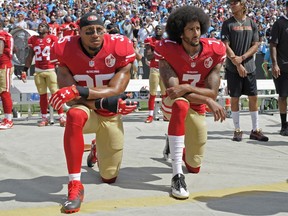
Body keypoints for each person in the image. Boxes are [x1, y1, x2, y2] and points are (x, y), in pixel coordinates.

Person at [48, 12, 137, 213]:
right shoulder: (64, 48)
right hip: (88, 110)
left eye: (99, 30)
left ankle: (97, 149)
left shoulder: (119, 46)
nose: (95, 34)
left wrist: (79, 90)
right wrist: (100, 102)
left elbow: (116, 90)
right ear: (79, 33)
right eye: (89, 31)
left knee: (109, 177)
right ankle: (75, 185)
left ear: (104, 31)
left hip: (109, 115)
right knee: (74, 114)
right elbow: (71, 99)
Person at [154, 6, 226, 199]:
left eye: (198, 28)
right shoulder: (167, 49)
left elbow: (211, 92)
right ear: (180, 32)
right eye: (190, 29)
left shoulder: (214, 50)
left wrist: (187, 88)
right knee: (179, 104)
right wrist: (203, 98)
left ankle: (174, 142)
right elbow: (173, 91)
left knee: (194, 166)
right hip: (173, 104)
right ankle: (176, 174)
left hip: (197, 107)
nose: (196, 33)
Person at [220, 0, 269, 142]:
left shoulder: (252, 23)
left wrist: (243, 58)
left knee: (253, 97)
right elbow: (225, 45)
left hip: (250, 67)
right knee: (234, 98)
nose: (231, 5)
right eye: (230, 3)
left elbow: (256, 45)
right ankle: (237, 129)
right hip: (233, 68)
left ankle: (255, 129)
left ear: (242, 5)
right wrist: (237, 62)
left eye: (235, 2)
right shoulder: (227, 23)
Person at [22, 22, 66, 127]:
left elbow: (59, 52)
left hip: (50, 69)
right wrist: (25, 69)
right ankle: (44, 118)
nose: (40, 27)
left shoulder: (52, 38)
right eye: (39, 26)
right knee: (42, 96)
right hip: (38, 70)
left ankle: (61, 117)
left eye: (42, 26)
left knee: (56, 93)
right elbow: (30, 55)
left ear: (47, 29)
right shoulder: (33, 39)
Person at [270, 1, 288, 136]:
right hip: (282, 67)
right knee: (283, 96)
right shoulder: (279, 24)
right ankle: (283, 126)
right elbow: (273, 45)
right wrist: (275, 64)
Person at [144, 25, 166, 123]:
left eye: (160, 28)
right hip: (154, 69)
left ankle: (165, 114)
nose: (158, 30)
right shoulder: (150, 40)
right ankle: (150, 115)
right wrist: (159, 51)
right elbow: (149, 56)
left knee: (165, 93)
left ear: (163, 30)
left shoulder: (166, 42)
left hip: (165, 69)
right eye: (156, 28)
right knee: (152, 93)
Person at [0, 20, 14, 130]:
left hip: (4, 66)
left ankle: (8, 119)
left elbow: (0, 51)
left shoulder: (2, 35)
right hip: (4, 65)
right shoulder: (6, 34)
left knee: (4, 92)